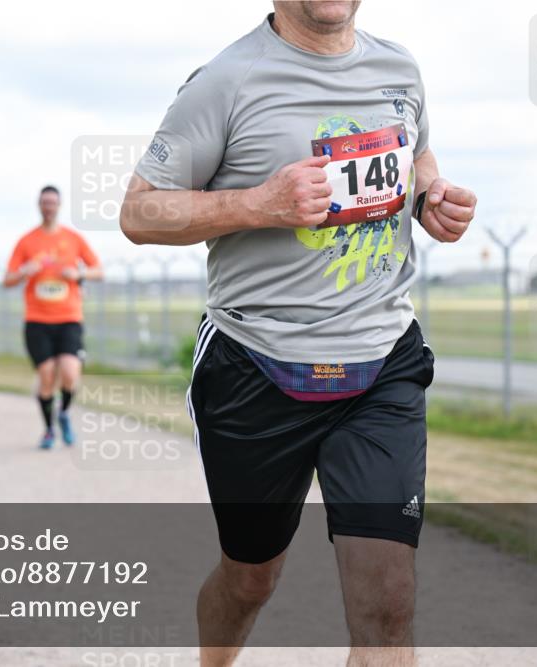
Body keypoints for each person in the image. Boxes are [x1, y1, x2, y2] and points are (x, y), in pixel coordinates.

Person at [120, 2, 478, 666]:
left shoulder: (400, 69)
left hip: (381, 363)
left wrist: (432, 198)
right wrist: (259, 203)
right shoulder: (226, 81)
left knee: (387, 602)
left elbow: (417, 156)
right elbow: (139, 211)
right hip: (256, 367)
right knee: (251, 575)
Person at [4, 185, 103, 449]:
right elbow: (8, 279)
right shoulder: (27, 241)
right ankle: (49, 429)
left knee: (70, 373)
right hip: (37, 320)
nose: (49, 207)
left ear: (59, 206)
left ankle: (64, 413)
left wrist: (78, 275)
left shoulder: (73, 239)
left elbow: (98, 270)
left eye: (53, 203)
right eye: (45, 202)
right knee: (47, 376)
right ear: (39, 205)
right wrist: (26, 270)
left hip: (69, 317)